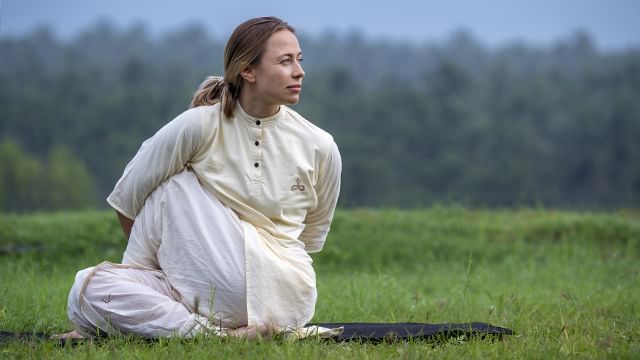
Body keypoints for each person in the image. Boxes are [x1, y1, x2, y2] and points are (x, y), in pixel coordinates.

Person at [63, 16, 341, 340]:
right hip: (197, 284)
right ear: (247, 71)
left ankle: (163, 322)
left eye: (299, 60)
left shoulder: (320, 145)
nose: (299, 71)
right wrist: (184, 265)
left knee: (172, 185)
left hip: (283, 292)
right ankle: (216, 334)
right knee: (87, 288)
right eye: (285, 61)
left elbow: (309, 240)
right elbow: (127, 201)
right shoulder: (200, 125)